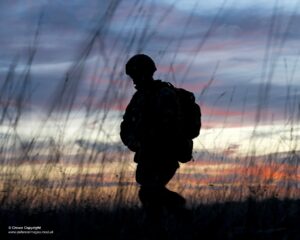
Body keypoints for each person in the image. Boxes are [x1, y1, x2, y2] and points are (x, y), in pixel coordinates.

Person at [120, 54, 200, 210]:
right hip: (147, 154)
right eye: (132, 76)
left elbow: (169, 127)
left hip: (165, 154)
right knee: (149, 195)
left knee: (149, 193)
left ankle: (182, 212)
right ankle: (167, 225)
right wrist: (134, 141)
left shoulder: (165, 94)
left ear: (146, 73)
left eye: (136, 75)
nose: (134, 80)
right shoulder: (138, 97)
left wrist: (150, 139)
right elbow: (126, 125)